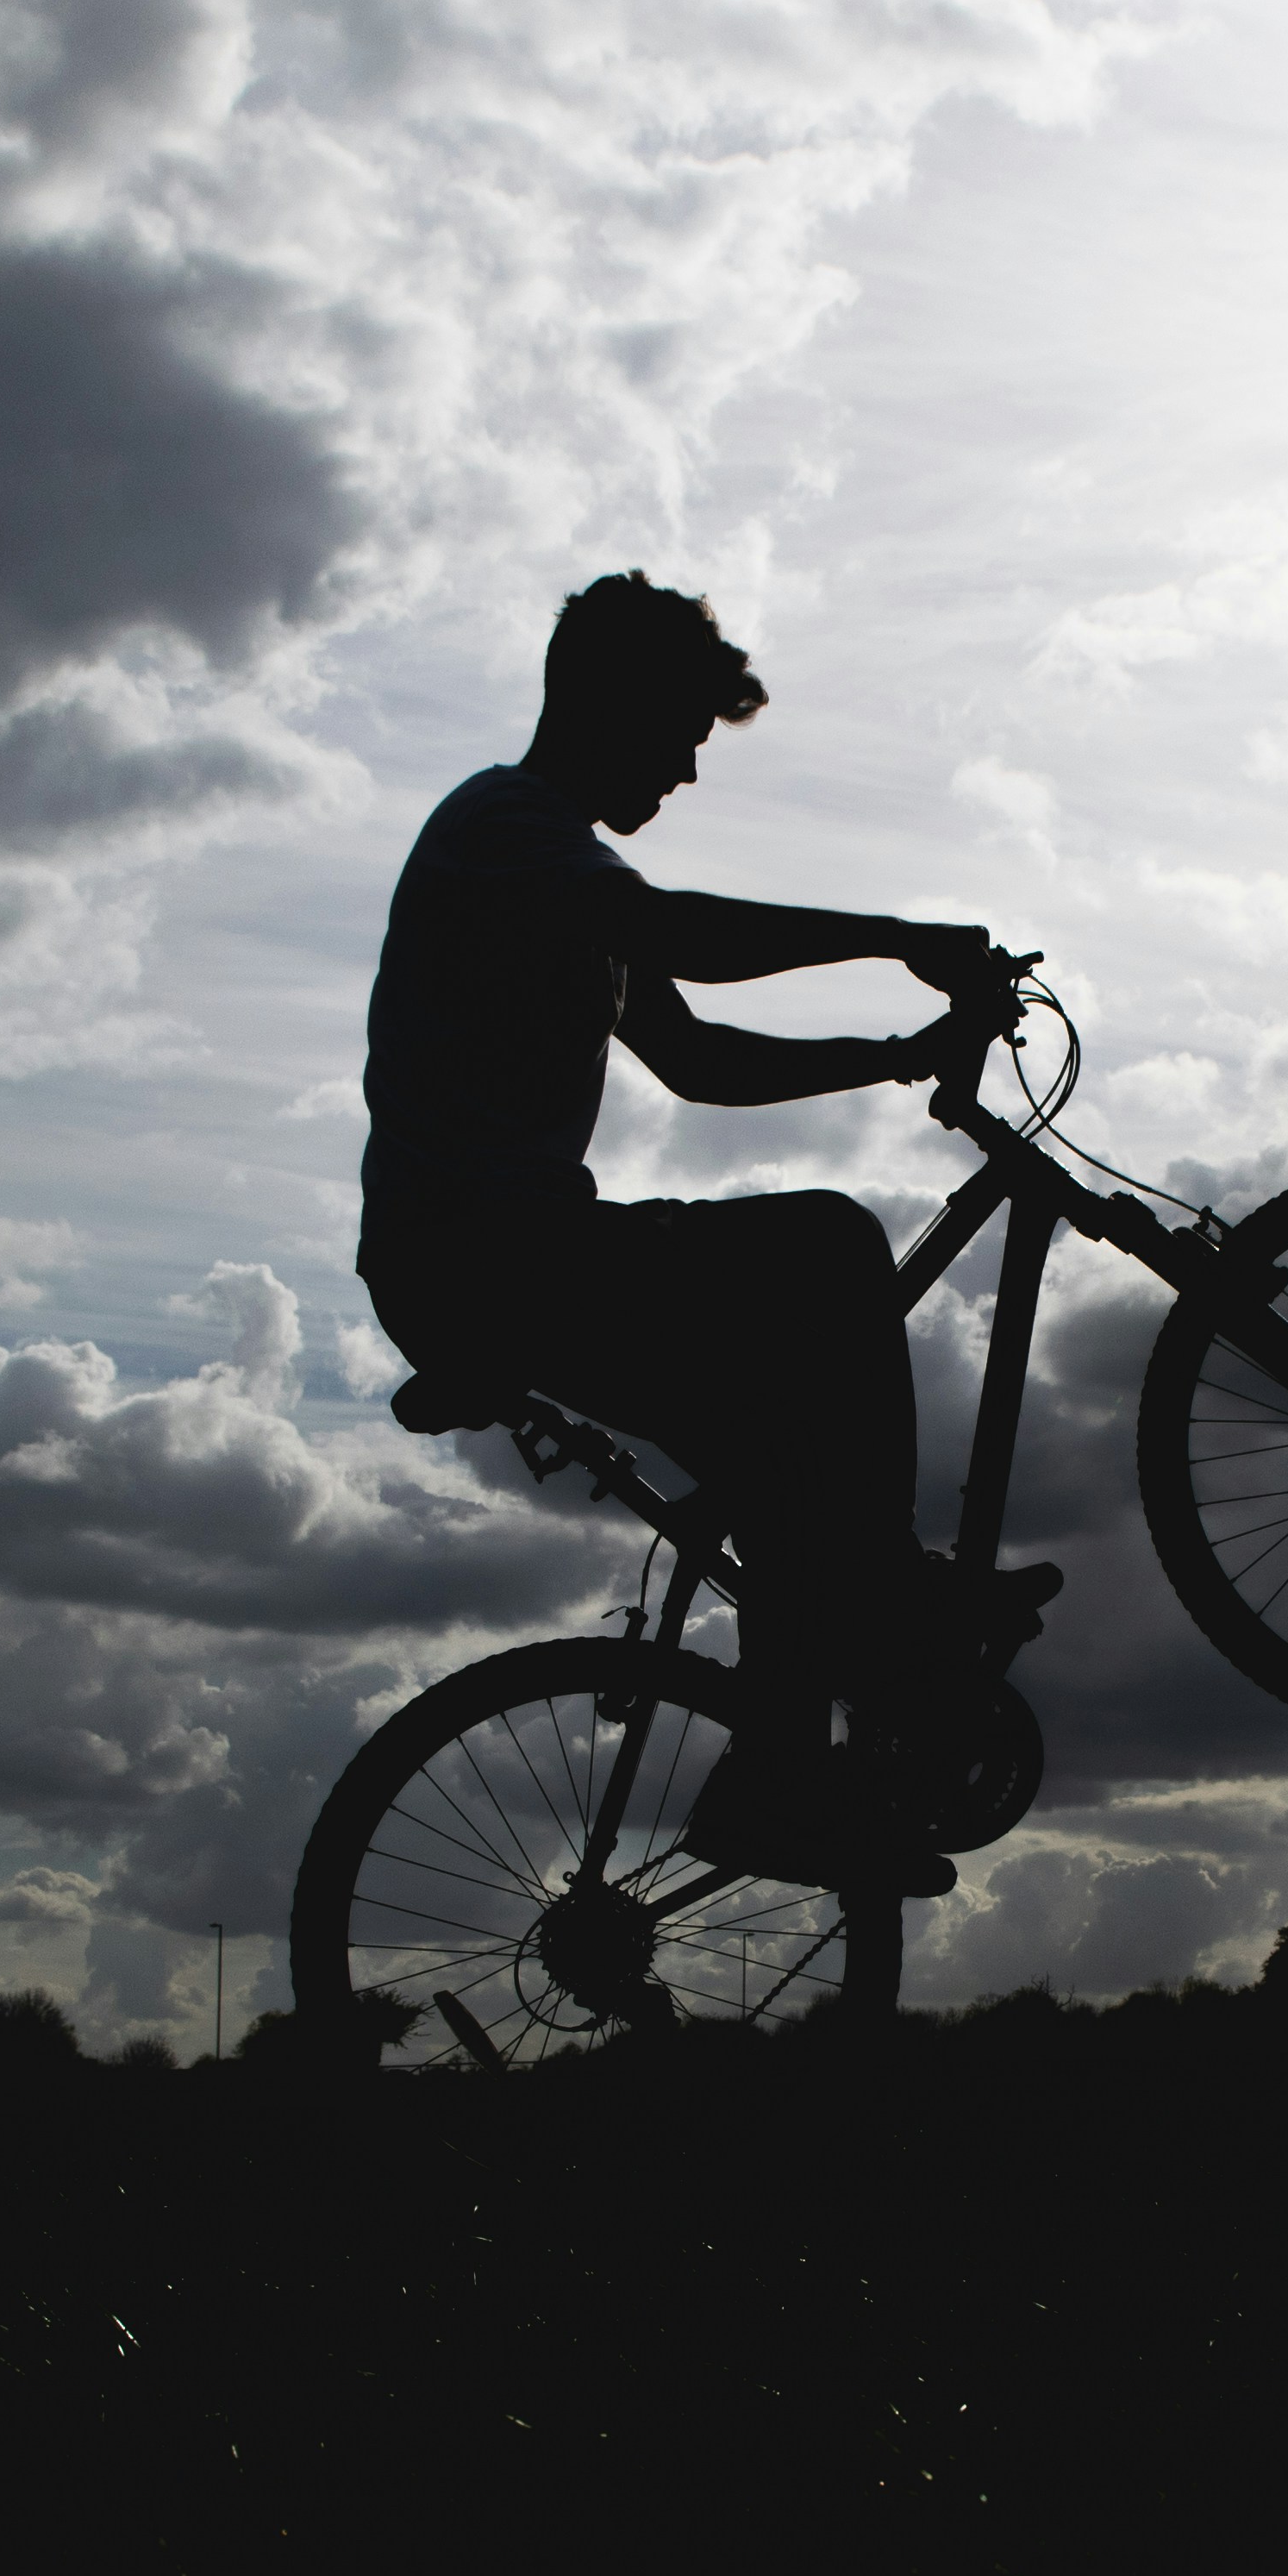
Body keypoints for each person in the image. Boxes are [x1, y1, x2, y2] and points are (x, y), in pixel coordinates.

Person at [355, 571, 1025, 1895]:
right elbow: (681, 940)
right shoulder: (506, 826)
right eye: (682, 735)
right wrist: (898, 940)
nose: (688, 771)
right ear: (609, 703)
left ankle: (777, 1777)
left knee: (786, 1470)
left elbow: (697, 1058)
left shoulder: (567, 876)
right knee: (832, 1243)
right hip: (483, 1257)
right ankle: (886, 1603)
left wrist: (896, 1056)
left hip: (500, 1260)